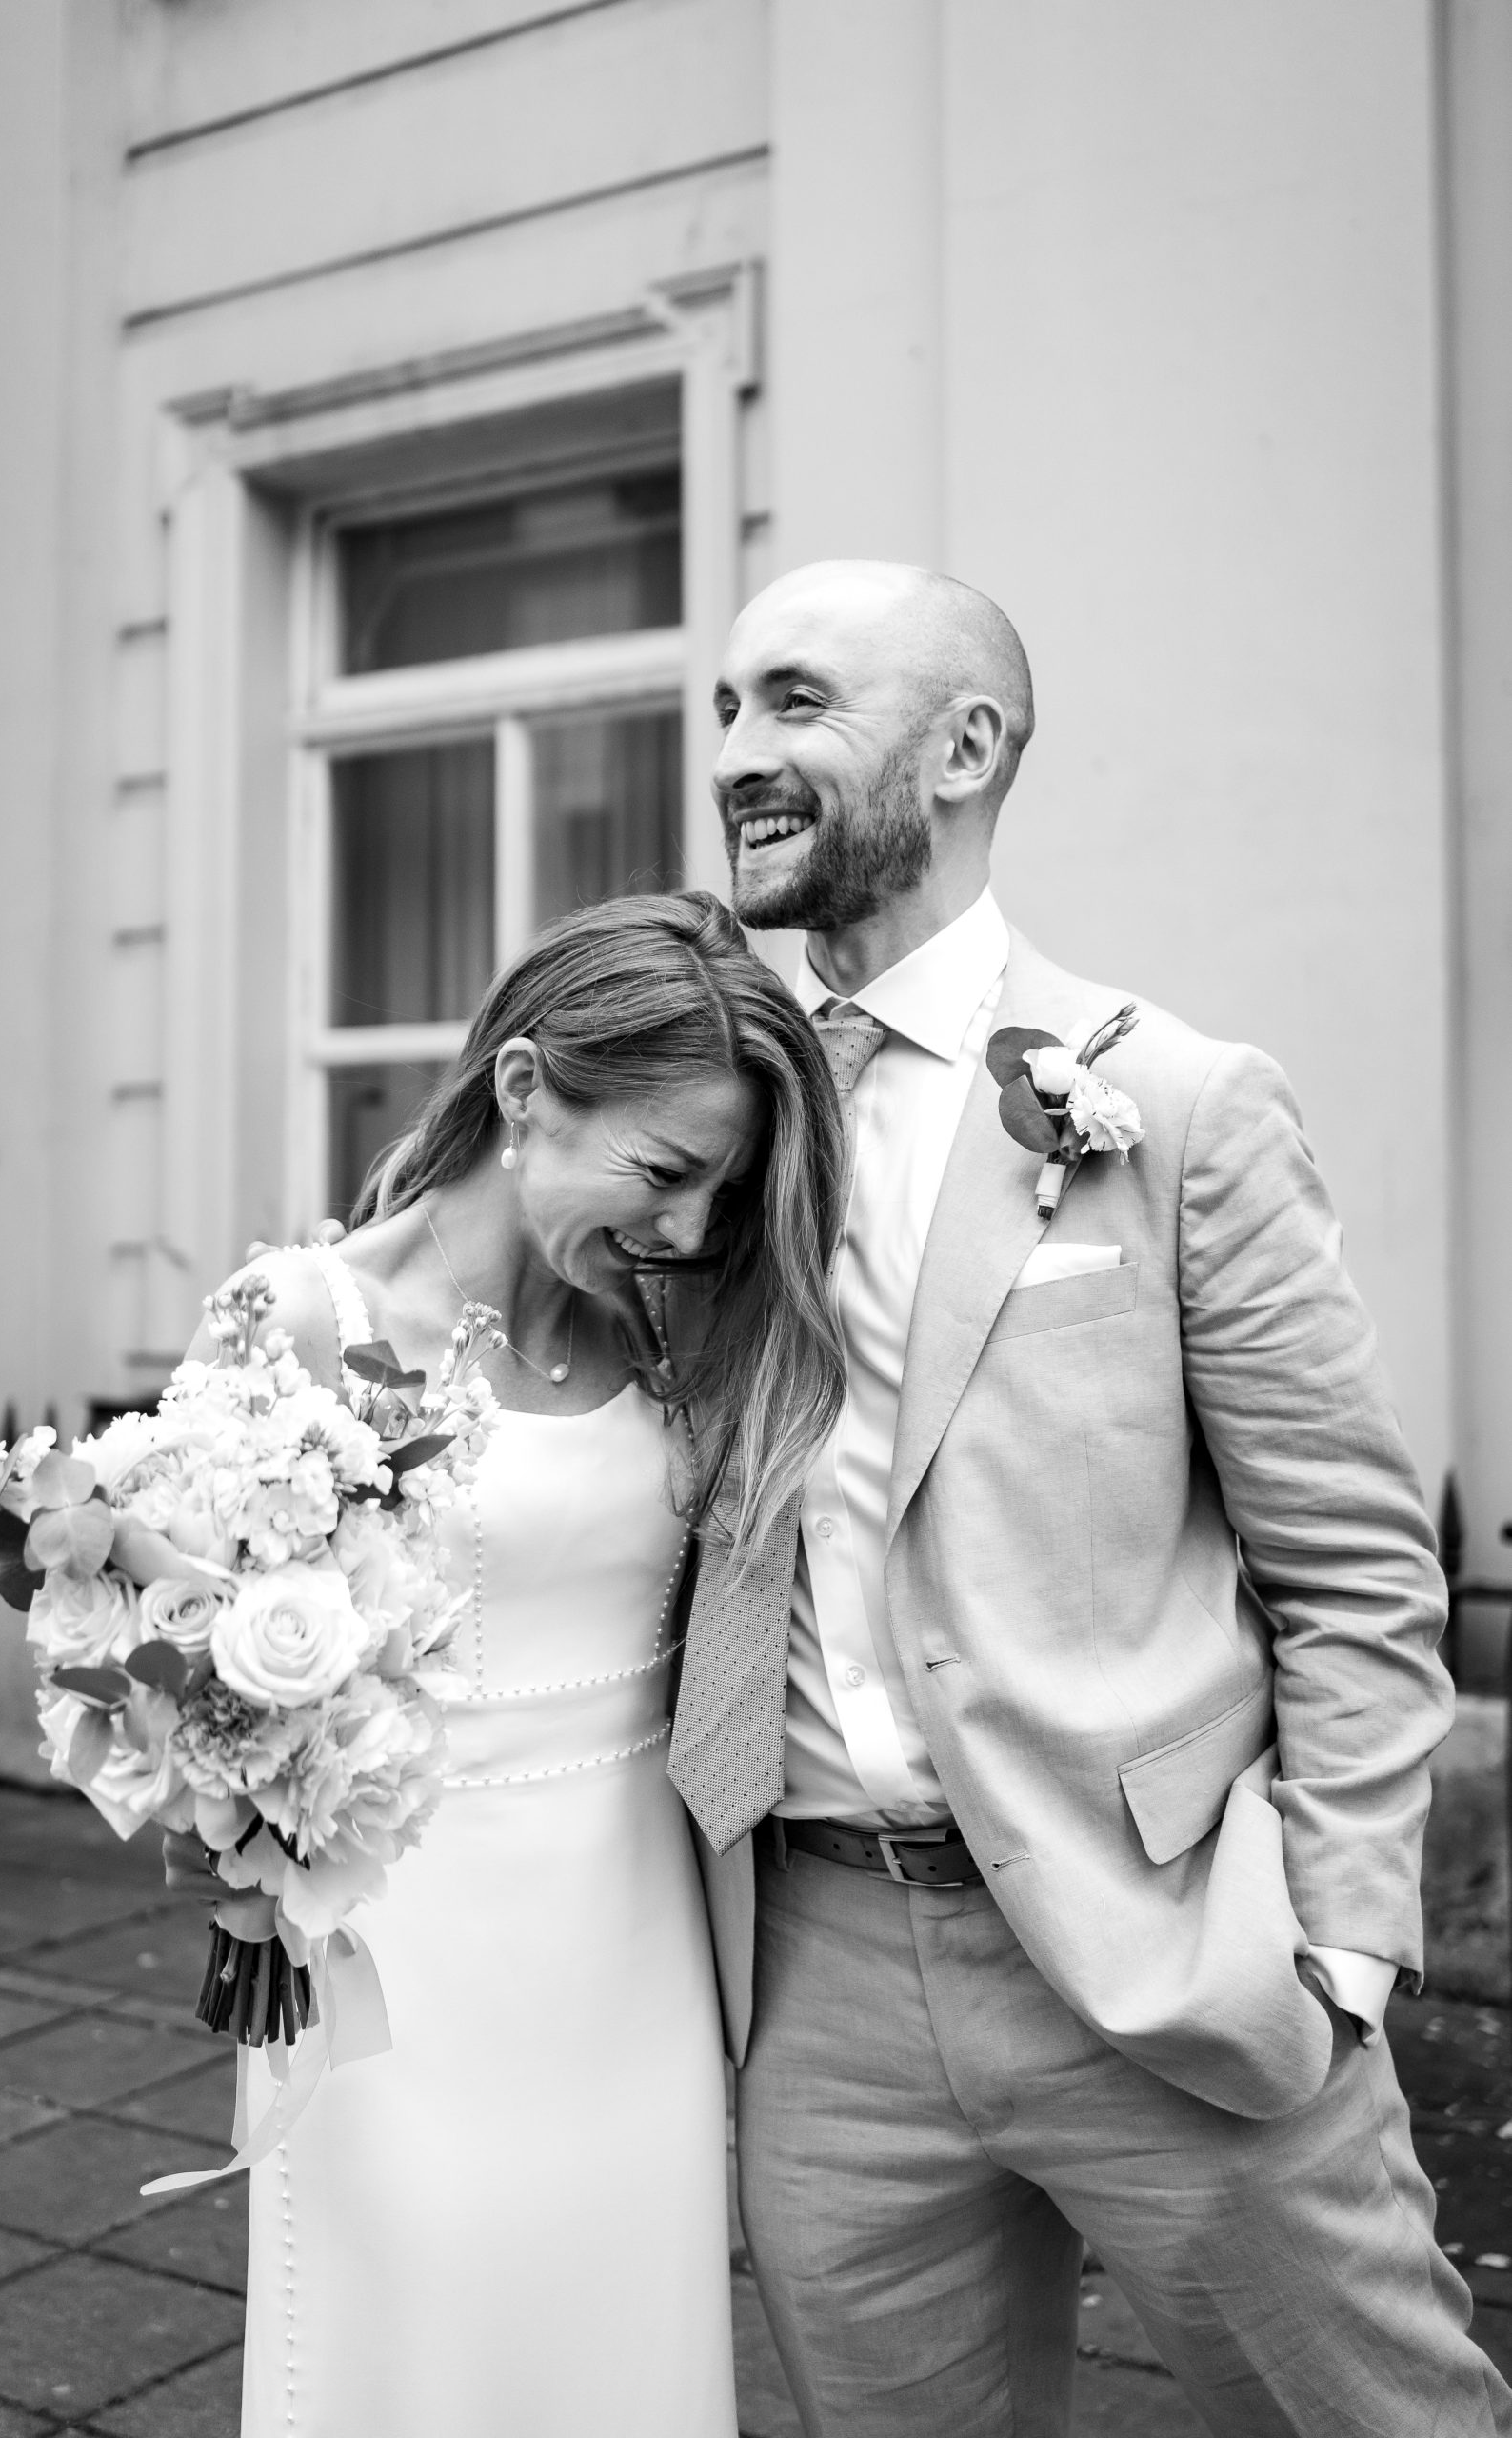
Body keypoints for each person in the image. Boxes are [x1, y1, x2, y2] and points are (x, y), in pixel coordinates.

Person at [671, 558, 1512, 2437]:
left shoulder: (1181, 1104)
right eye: (724, 708)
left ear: (964, 745)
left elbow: (1359, 1573)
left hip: (1169, 1952)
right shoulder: (717, 1116)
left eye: (795, 700)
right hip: (816, 1984)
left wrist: (1336, 1948)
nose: (733, 754)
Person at [169, 892, 846, 2438]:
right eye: (664, 1173)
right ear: (527, 1089)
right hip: (412, 1960)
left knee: (619, 2347)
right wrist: (225, 1814)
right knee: (423, 2351)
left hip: (638, 1942)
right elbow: (185, 1661)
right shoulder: (300, 1319)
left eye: (721, 1190)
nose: (690, 1228)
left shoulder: (668, 1328)